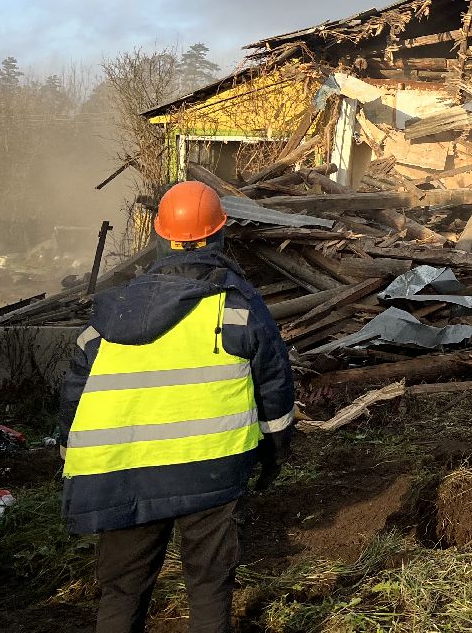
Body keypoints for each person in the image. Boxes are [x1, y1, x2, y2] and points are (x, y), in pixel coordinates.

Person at [57, 180, 294, 633]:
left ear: (160, 236)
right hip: (210, 470)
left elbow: (73, 394)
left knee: (122, 592)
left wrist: (69, 459)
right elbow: (274, 385)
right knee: (208, 587)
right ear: (220, 234)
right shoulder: (235, 307)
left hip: (117, 471)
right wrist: (275, 452)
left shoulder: (112, 311)